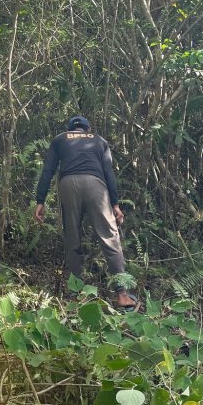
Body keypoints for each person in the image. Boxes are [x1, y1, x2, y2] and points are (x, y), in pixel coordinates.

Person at [33, 116, 136, 310]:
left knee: (72, 237)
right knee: (109, 236)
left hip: (68, 184)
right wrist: (115, 204)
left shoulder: (60, 139)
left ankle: (76, 294)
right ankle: (122, 294)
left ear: (70, 128)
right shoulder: (99, 140)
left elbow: (48, 170)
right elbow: (109, 174)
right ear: (88, 128)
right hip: (95, 184)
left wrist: (40, 200)